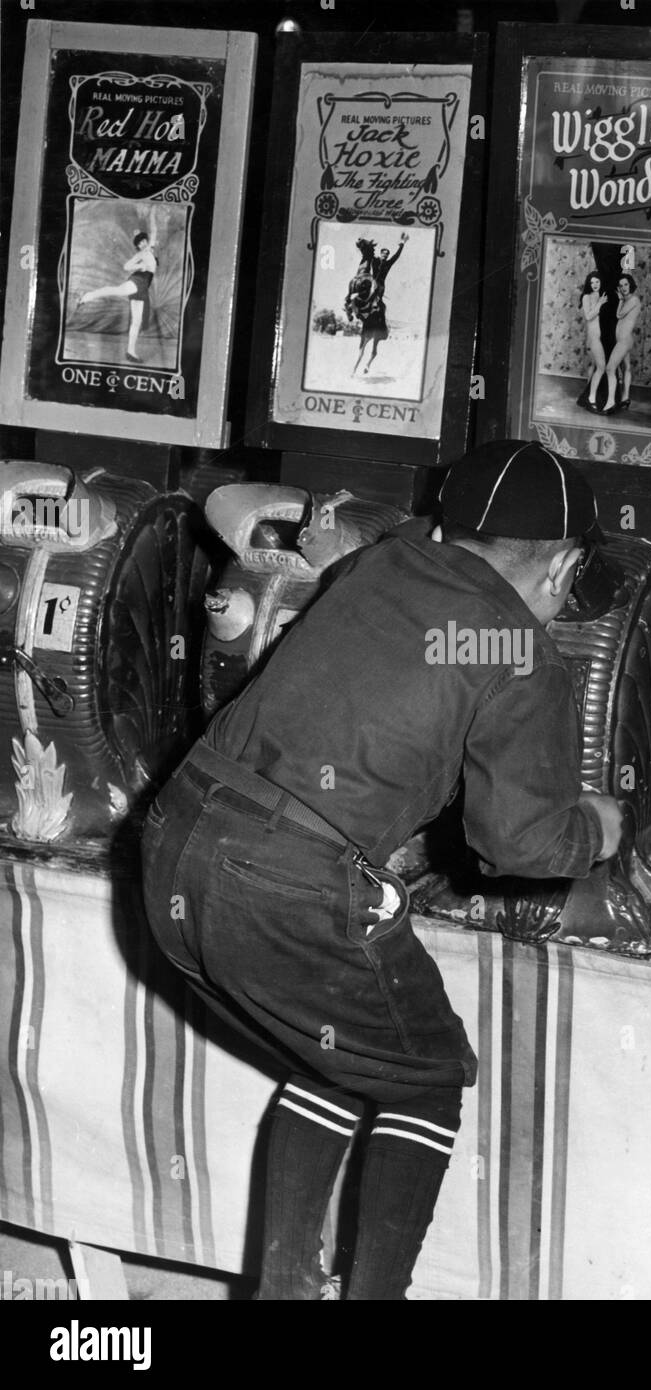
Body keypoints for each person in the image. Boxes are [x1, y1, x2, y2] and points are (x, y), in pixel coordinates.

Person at [140, 439, 624, 1301]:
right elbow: (520, 846)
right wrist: (597, 824)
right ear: (564, 566)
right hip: (283, 882)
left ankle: (284, 1290)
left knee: (339, 1052)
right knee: (426, 1081)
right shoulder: (522, 655)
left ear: (450, 526)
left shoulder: (386, 559)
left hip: (173, 843)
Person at [78, 216, 158, 362]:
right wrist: (140, 266)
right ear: (138, 247)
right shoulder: (140, 254)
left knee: (136, 321)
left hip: (143, 288)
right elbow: (126, 266)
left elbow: (154, 230)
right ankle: (87, 296)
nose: (142, 244)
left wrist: (152, 214)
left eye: (143, 241)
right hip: (138, 281)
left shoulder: (150, 249)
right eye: (139, 243)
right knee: (116, 290)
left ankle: (131, 352)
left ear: (147, 241)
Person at [604, 274, 640, 412]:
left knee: (610, 368)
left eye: (625, 284)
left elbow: (619, 315)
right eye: (620, 285)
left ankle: (611, 402)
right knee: (627, 367)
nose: (623, 288)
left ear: (630, 284)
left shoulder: (633, 299)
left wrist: (619, 300)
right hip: (624, 339)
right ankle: (625, 398)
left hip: (624, 341)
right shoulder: (628, 299)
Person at [580, 272, 607, 409]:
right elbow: (589, 316)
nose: (595, 285)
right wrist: (600, 304)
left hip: (603, 337)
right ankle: (591, 398)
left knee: (595, 365)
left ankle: (589, 394)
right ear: (589, 284)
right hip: (593, 337)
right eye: (592, 282)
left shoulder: (603, 296)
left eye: (597, 282)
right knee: (601, 366)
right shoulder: (587, 297)